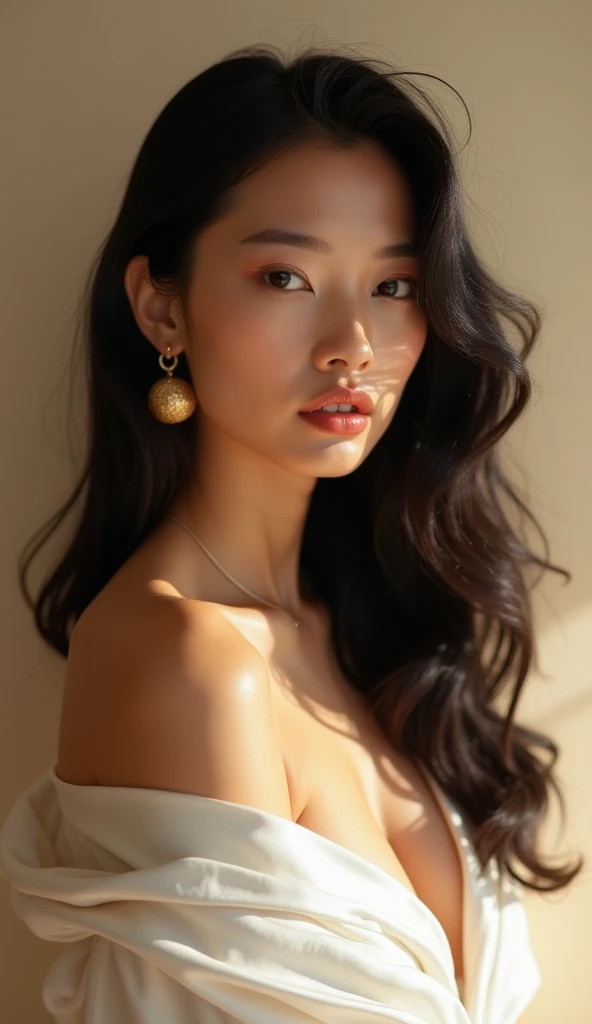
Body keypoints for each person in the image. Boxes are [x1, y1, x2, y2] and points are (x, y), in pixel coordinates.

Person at [0, 42, 583, 1024]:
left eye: (394, 286)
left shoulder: (362, 628)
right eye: (285, 276)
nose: (352, 344)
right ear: (159, 304)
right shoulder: (186, 658)